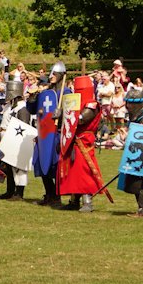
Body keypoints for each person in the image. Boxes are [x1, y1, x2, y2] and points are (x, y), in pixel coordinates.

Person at [57, 76, 103, 212]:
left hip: (84, 139)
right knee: (72, 170)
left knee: (84, 170)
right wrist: (60, 115)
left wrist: (63, 114)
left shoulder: (91, 104)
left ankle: (87, 201)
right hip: (73, 138)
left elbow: (81, 119)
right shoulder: (74, 102)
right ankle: (74, 200)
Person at [118, 87, 143, 217]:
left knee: (139, 182)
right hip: (137, 154)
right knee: (135, 181)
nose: (128, 106)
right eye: (127, 102)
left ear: (137, 104)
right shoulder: (137, 116)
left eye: (130, 103)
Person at [32, 62, 67, 207]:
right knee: (40, 162)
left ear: (61, 76)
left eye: (55, 74)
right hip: (45, 134)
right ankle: (49, 193)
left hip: (57, 134)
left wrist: (63, 112)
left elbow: (73, 114)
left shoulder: (66, 93)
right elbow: (34, 110)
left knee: (55, 166)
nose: (51, 76)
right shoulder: (46, 93)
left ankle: (57, 196)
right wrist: (32, 98)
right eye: (51, 74)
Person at [0, 79, 30, 201]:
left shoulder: (22, 107)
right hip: (6, 139)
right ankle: (9, 191)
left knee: (18, 167)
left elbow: (23, 125)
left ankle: (19, 193)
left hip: (16, 140)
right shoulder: (9, 106)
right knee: (8, 166)